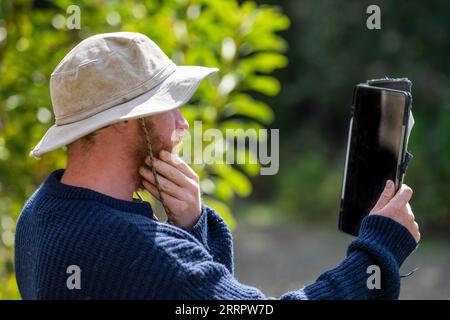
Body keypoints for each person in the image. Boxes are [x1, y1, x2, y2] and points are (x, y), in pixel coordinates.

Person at [14, 32, 420, 300]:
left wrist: (193, 226)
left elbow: (203, 296)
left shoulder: (39, 215)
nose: (182, 123)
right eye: (168, 105)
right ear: (125, 120)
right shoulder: (143, 251)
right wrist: (377, 254)